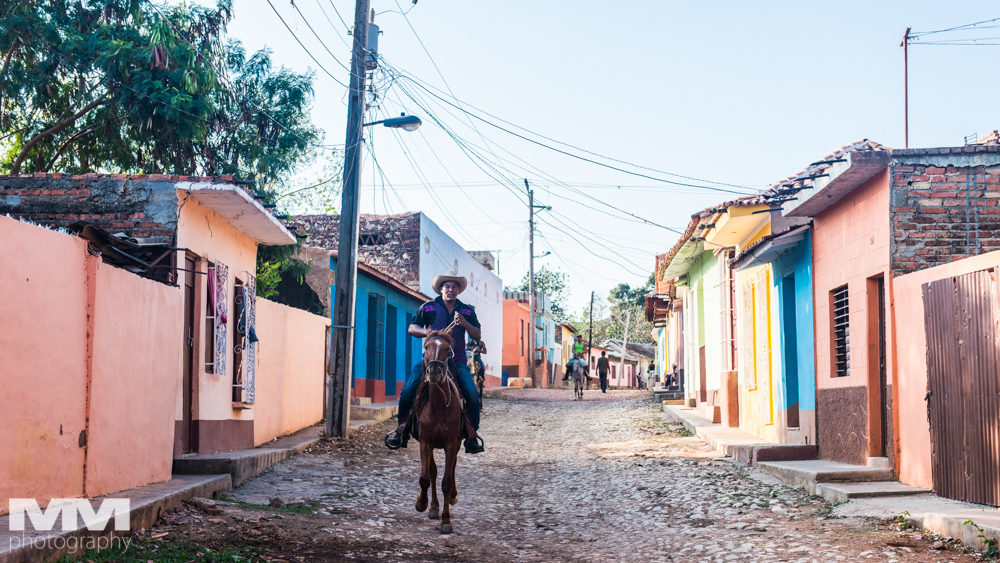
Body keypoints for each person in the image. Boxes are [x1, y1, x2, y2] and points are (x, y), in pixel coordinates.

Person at [385, 271, 485, 454]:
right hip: (430, 362)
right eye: (447, 286)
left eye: (455, 287)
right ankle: (401, 431)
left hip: (457, 362)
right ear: (441, 289)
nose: (451, 290)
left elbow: (477, 335)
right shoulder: (428, 307)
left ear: (459, 290)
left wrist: (464, 323)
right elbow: (412, 327)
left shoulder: (467, 311)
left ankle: (471, 436)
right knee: (408, 391)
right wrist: (427, 334)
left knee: (471, 394)